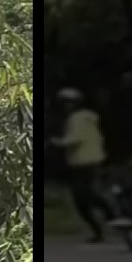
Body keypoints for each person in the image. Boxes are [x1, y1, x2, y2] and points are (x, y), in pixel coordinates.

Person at [52, 87, 114, 242]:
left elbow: (75, 139)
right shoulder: (89, 118)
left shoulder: (76, 119)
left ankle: (107, 217)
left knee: (82, 198)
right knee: (87, 194)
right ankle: (107, 218)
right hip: (92, 159)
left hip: (82, 162)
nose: (67, 106)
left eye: (69, 103)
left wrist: (56, 142)